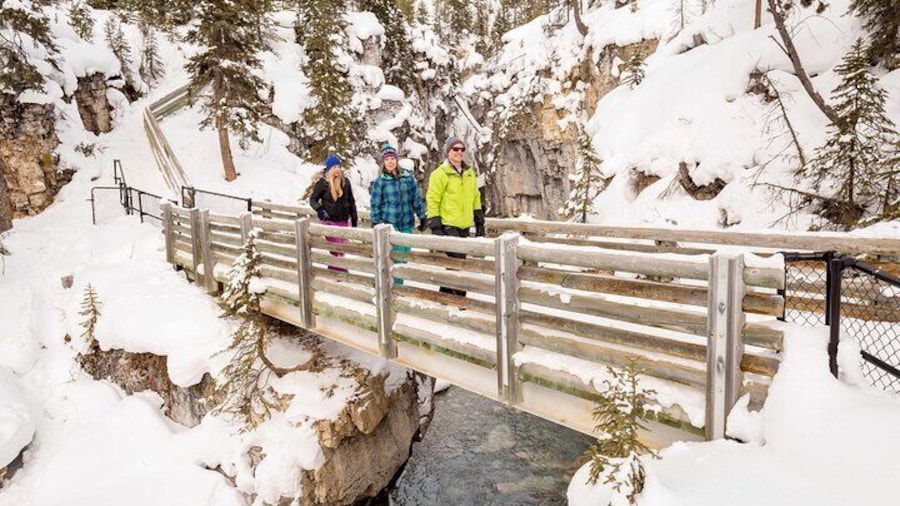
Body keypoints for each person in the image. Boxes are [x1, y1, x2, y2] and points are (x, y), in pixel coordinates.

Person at [425, 136, 485, 296]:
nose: (459, 152)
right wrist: (435, 225)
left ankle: (443, 295)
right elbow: (433, 199)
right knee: (458, 262)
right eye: (455, 149)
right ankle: (460, 300)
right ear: (448, 152)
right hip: (448, 224)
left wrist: (479, 222)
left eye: (462, 149)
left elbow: (475, 196)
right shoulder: (440, 174)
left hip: (464, 225)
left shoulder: (469, 173)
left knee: (454, 263)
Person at [370, 143, 427, 285]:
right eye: (387, 159)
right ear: (383, 162)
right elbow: (375, 203)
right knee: (394, 259)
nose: (390, 161)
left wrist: (422, 216)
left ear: (396, 160)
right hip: (390, 226)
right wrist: (376, 222)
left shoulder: (408, 178)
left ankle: (397, 287)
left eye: (392, 158)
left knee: (404, 258)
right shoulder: (381, 181)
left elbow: (415, 199)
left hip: (406, 225)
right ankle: (393, 288)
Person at [309, 154, 358, 272]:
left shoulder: (345, 182)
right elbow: (313, 199)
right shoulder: (323, 183)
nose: (336, 169)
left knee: (341, 248)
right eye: (334, 167)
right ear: (329, 169)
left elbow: (351, 201)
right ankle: (339, 271)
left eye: (338, 166)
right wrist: (320, 210)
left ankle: (334, 270)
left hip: (343, 220)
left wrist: (354, 219)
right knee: (336, 247)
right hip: (329, 220)